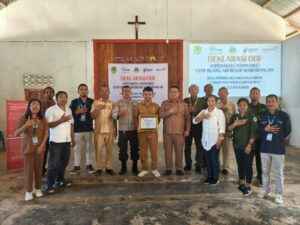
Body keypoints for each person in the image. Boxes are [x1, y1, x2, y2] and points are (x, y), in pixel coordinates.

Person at [257, 94, 291, 204]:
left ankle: (279, 194)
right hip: (264, 147)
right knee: (265, 171)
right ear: (266, 103)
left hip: (278, 148)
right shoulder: (261, 115)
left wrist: (278, 138)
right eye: (268, 102)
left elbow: (287, 130)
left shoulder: (284, 116)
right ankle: (265, 189)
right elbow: (258, 131)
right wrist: (266, 129)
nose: (271, 104)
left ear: (277, 103)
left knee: (278, 172)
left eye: (273, 101)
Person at [15, 99, 49, 201]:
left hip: (39, 149)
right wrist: (26, 125)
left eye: (38, 104)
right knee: (29, 171)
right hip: (28, 149)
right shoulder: (24, 118)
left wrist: (42, 146)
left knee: (39, 170)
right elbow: (16, 133)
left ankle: (38, 189)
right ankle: (29, 191)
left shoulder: (42, 119)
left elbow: (46, 132)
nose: (36, 106)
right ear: (29, 107)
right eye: (33, 104)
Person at [45, 91, 75, 193]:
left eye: (65, 97)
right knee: (53, 164)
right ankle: (49, 185)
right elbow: (48, 125)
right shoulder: (51, 110)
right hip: (56, 141)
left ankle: (59, 179)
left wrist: (72, 139)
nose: (64, 99)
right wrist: (61, 120)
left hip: (66, 141)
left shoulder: (68, 109)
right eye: (61, 97)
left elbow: (71, 125)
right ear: (56, 99)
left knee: (64, 162)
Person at [193, 95, 225, 185]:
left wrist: (220, 139)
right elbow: (194, 121)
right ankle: (209, 176)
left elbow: (222, 127)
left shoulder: (219, 112)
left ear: (215, 102)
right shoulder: (203, 111)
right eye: (209, 101)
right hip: (205, 140)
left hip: (215, 140)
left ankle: (215, 177)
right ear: (206, 102)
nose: (210, 103)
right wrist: (201, 117)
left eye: (212, 101)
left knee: (214, 159)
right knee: (207, 159)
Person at [228, 98, 257, 196]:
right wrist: (235, 124)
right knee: (240, 165)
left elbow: (255, 132)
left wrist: (249, 145)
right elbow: (229, 128)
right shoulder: (235, 116)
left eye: (244, 104)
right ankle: (241, 183)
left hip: (247, 147)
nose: (242, 106)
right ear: (238, 106)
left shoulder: (252, 116)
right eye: (240, 105)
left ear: (247, 106)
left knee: (248, 166)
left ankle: (248, 185)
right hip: (237, 145)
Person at [159, 86, 190, 176]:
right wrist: (170, 111)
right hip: (167, 133)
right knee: (168, 151)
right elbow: (160, 115)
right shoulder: (164, 103)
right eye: (171, 91)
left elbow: (187, 119)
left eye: (175, 91)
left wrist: (187, 130)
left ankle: (179, 168)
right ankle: (168, 168)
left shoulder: (184, 104)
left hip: (180, 133)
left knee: (179, 151)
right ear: (169, 93)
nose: (173, 93)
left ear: (178, 93)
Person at [112, 86, 139, 175]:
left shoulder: (136, 103)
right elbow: (113, 115)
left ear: (131, 92)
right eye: (124, 91)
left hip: (134, 130)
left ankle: (135, 167)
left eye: (128, 91)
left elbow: (140, 115)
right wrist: (120, 113)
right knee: (122, 150)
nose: (126, 93)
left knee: (135, 149)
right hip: (123, 130)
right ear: (122, 93)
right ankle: (123, 167)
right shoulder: (118, 103)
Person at [91, 86, 117, 176]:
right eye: (103, 91)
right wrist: (98, 108)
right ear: (100, 92)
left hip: (110, 131)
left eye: (106, 91)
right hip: (98, 131)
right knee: (98, 151)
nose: (105, 92)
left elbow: (115, 118)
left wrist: (115, 130)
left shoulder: (112, 104)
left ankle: (109, 168)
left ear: (109, 92)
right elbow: (92, 116)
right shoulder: (95, 103)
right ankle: (98, 168)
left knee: (109, 151)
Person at [69, 84, 95, 175]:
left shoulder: (92, 101)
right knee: (77, 148)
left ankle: (89, 164)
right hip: (77, 129)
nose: (83, 91)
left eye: (85, 89)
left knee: (89, 148)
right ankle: (76, 166)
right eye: (81, 89)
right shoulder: (74, 102)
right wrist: (77, 111)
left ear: (88, 91)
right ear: (78, 91)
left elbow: (94, 115)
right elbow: (70, 115)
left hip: (88, 128)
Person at [135, 87, 160, 177]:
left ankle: (154, 169)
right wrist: (138, 126)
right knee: (143, 151)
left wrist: (154, 125)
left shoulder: (157, 106)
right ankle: (144, 169)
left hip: (153, 133)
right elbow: (136, 118)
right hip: (142, 133)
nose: (147, 96)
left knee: (154, 151)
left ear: (152, 95)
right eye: (145, 94)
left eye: (149, 94)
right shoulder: (138, 106)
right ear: (143, 95)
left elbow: (158, 119)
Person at [183, 84, 206, 173]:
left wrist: (195, 111)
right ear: (189, 91)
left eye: (195, 89)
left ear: (198, 91)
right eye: (191, 90)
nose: (193, 91)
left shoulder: (202, 101)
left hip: (199, 127)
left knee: (199, 146)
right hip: (187, 126)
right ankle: (188, 164)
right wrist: (189, 110)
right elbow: (183, 112)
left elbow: (204, 113)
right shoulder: (185, 100)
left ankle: (198, 164)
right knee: (187, 146)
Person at [248, 87, 267, 186]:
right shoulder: (246, 107)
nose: (254, 95)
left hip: (261, 138)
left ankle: (260, 177)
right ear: (249, 95)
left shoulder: (264, 107)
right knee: (249, 159)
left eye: (256, 93)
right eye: (253, 93)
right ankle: (249, 177)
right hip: (250, 137)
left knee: (260, 160)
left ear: (259, 95)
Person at [217, 87, 236, 175]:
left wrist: (232, 130)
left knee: (226, 150)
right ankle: (217, 165)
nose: (223, 94)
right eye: (221, 92)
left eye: (224, 92)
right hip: (216, 130)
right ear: (218, 94)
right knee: (216, 149)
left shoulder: (231, 104)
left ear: (227, 93)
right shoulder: (215, 103)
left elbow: (234, 118)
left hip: (227, 130)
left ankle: (225, 167)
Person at [41, 86, 56, 176]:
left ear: (53, 94)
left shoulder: (55, 104)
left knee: (53, 152)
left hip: (54, 131)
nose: (49, 94)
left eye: (50, 92)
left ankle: (52, 169)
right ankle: (42, 169)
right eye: (47, 92)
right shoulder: (41, 104)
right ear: (44, 94)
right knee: (44, 151)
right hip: (44, 131)